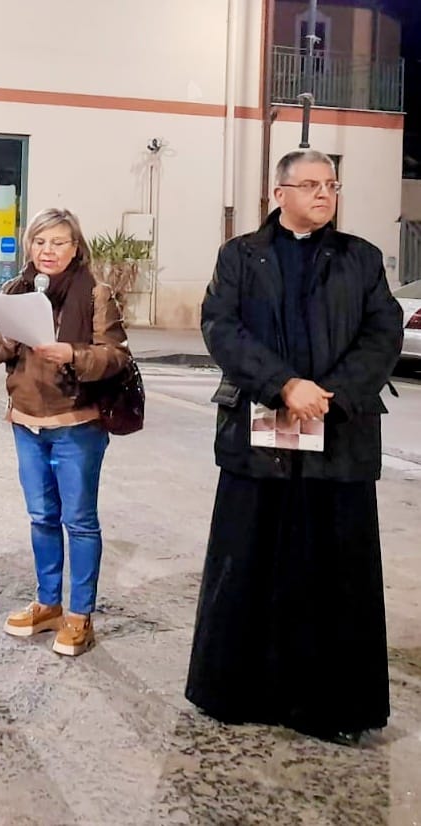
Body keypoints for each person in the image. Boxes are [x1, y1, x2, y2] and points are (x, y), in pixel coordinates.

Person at [186, 149, 404, 741]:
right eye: (310, 185)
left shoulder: (360, 258)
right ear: (277, 193)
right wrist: (284, 385)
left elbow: (383, 333)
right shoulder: (240, 256)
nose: (324, 194)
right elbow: (220, 327)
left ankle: (334, 707)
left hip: (340, 431)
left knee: (335, 566)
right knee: (250, 553)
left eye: (331, 185)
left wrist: (327, 394)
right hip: (261, 430)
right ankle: (236, 691)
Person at [0, 208, 129, 655]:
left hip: (77, 422)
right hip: (26, 420)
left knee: (79, 521)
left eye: (58, 242)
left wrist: (74, 355)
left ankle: (80, 615)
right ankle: (47, 603)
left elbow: (116, 355)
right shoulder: (16, 289)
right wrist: (7, 338)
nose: (48, 251)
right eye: (40, 242)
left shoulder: (96, 294)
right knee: (41, 516)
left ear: (75, 248)